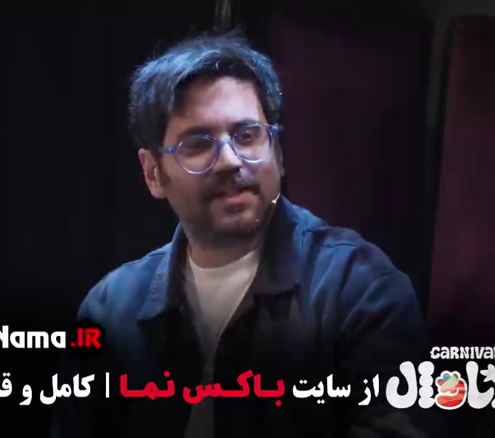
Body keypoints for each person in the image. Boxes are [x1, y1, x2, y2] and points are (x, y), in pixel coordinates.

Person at [52, 32, 440, 438]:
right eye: (198, 143)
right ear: (153, 173)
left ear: (278, 153)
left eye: (247, 135)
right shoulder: (109, 309)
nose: (230, 160)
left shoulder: (358, 288)